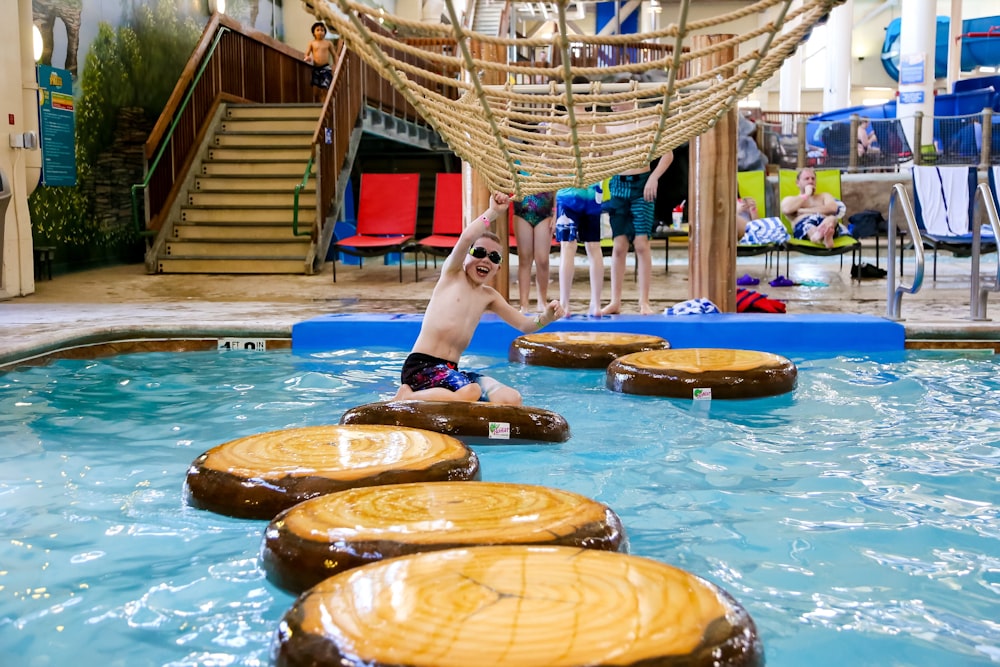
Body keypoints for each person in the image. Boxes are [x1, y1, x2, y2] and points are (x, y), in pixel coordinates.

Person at [394, 193, 565, 406]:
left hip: (449, 371)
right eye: (479, 252)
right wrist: (492, 212)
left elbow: (525, 325)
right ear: (466, 255)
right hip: (422, 367)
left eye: (493, 257)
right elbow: (466, 237)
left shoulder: (489, 297)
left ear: (498, 268)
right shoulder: (452, 274)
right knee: (471, 392)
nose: (485, 259)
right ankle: (407, 396)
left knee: (511, 399)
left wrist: (547, 317)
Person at [601, 94, 672, 315]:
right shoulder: (608, 125)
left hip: (642, 185)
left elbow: (667, 154)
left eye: (616, 99)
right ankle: (615, 301)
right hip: (618, 185)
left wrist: (654, 177)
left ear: (630, 99)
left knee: (641, 243)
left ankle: (644, 301)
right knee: (619, 245)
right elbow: (604, 155)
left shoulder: (648, 120)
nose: (611, 104)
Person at [555, 183, 605, 317]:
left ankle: (565, 305)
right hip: (593, 192)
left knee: (567, 247)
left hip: (568, 191)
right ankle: (596, 304)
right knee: (594, 246)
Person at [780, 167, 846, 249]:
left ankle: (822, 236)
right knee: (809, 226)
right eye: (807, 179)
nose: (811, 181)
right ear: (797, 183)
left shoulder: (824, 196)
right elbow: (786, 209)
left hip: (828, 226)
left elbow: (833, 208)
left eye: (813, 179)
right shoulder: (791, 199)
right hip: (804, 227)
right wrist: (806, 194)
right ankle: (822, 238)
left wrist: (804, 211)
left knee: (832, 218)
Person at [512, 192, 555, 313]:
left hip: (544, 213)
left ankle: (542, 301)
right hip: (522, 213)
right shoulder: (516, 172)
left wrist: (556, 213)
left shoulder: (551, 172)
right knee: (525, 259)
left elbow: (556, 187)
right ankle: (523, 304)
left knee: (542, 260)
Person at [304, 22, 334, 101]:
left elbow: (334, 55)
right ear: (314, 32)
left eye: (322, 30)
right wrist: (308, 58)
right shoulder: (312, 43)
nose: (320, 32)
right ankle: (316, 101)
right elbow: (306, 53)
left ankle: (325, 102)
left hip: (326, 67)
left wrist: (335, 65)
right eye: (318, 30)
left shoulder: (328, 43)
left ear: (325, 32)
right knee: (315, 87)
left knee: (325, 86)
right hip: (316, 68)